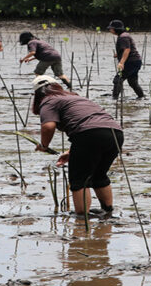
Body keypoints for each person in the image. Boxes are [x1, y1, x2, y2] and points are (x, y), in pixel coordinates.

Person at [32, 75, 123, 215]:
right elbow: (92, 123)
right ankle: (108, 212)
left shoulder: (48, 101)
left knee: (79, 179)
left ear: (37, 95)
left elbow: (48, 127)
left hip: (88, 135)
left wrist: (44, 145)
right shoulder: (76, 98)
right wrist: (71, 151)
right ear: (57, 86)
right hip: (115, 133)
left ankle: (82, 219)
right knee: (99, 175)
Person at [107, 19, 144, 100]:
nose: (110, 30)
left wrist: (121, 63)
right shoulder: (125, 35)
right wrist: (119, 54)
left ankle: (114, 99)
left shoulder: (123, 37)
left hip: (130, 62)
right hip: (135, 61)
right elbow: (126, 49)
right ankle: (141, 97)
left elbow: (127, 50)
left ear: (116, 29)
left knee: (118, 80)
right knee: (132, 82)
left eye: (111, 28)